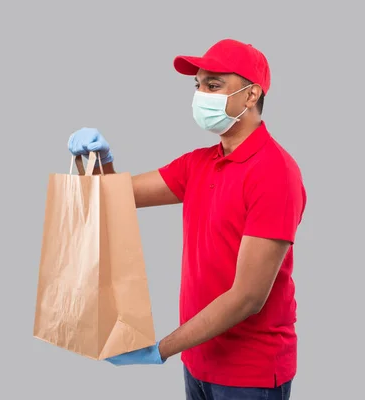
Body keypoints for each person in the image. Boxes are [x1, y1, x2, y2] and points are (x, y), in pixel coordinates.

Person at [68, 38, 307, 400]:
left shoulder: (274, 173)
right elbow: (114, 198)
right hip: (198, 362)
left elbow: (248, 298)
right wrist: (100, 159)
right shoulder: (199, 163)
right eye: (198, 86)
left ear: (251, 95)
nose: (201, 95)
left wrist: (161, 349)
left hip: (249, 373)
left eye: (214, 85)